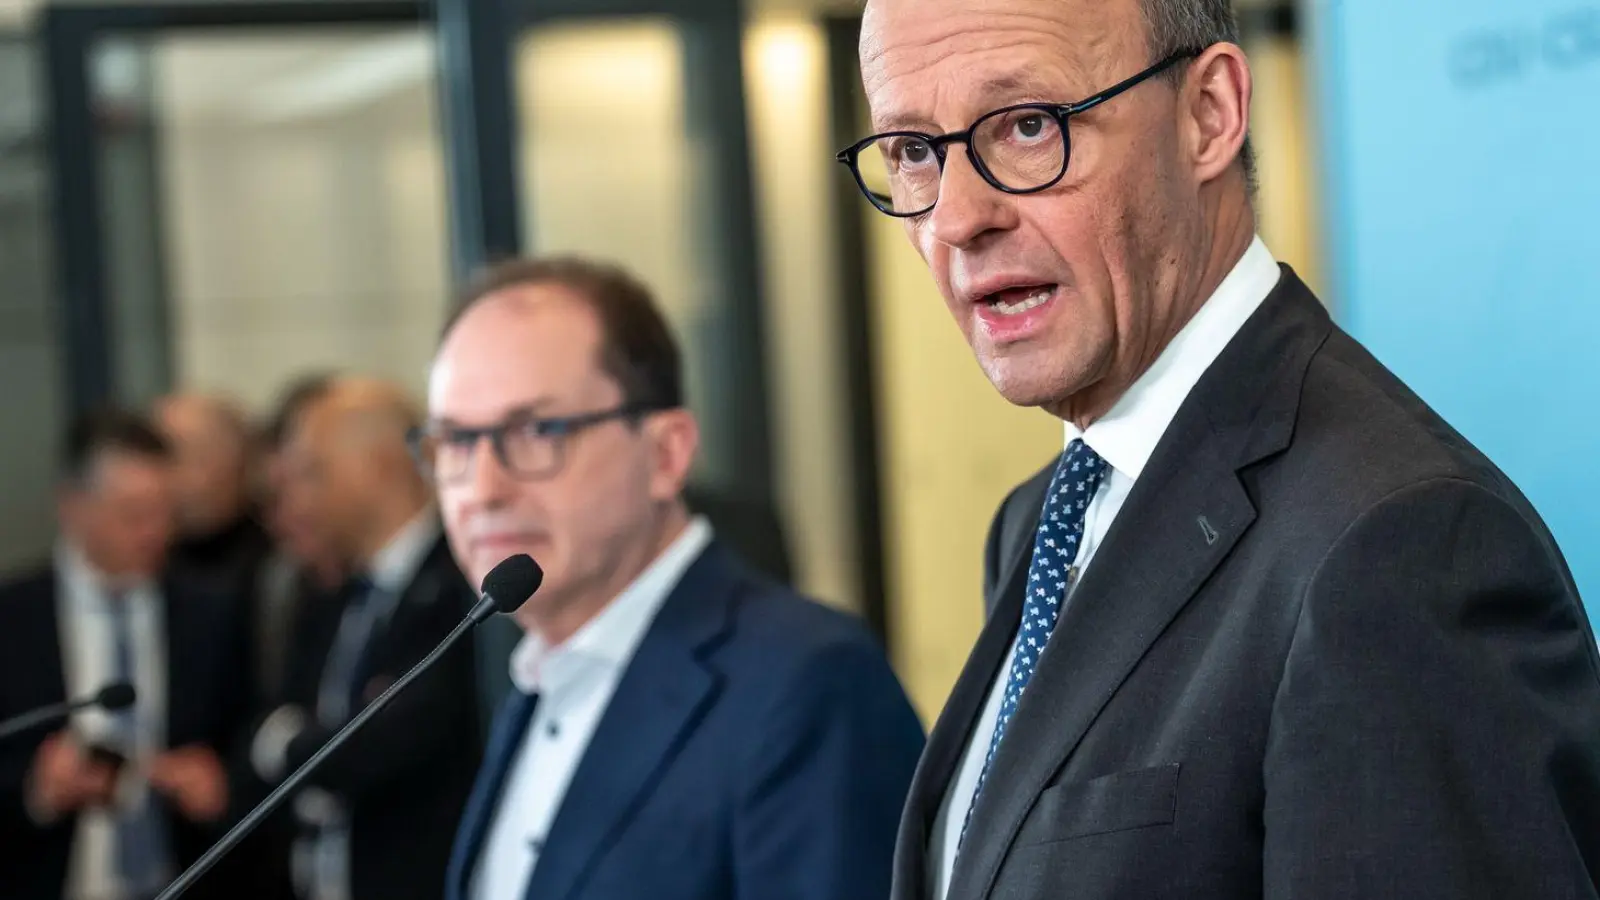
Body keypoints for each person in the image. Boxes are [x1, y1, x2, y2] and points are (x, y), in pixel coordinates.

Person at [842, 0, 1600, 897]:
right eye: (915, 152)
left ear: (1209, 114)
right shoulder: (1040, 521)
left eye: (1027, 127)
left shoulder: (1400, 546)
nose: (959, 218)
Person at [423, 256, 925, 900]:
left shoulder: (810, 682)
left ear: (666, 454)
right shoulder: (539, 677)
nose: (484, 489)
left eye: (535, 430)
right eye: (456, 442)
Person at [0, 410, 252, 900]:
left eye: (167, 512)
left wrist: (218, 781)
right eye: (134, 514)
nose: (155, 533)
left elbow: (246, 732)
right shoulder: (11, 620)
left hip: (183, 878)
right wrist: (36, 790)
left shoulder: (211, 610)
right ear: (73, 507)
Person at [249, 378, 481, 900]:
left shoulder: (461, 587)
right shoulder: (333, 594)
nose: (297, 499)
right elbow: (262, 727)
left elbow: (376, 749)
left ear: (376, 467)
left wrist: (295, 747)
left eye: (314, 473)